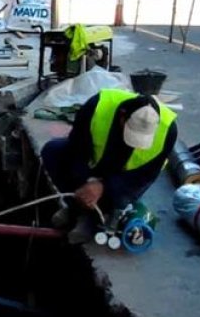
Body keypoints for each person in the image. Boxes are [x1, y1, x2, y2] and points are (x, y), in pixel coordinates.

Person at [42, 89, 179, 244]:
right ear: (123, 116)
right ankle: (76, 208)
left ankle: (96, 218)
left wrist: (104, 186)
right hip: (94, 164)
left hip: (129, 177)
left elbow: (146, 175)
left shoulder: (168, 130)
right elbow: (77, 149)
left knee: (120, 195)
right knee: (53, 151)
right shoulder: (97, 106)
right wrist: (85, 183)